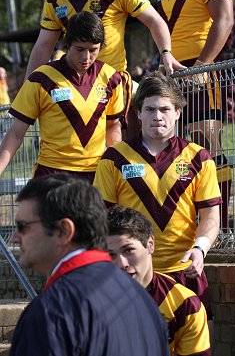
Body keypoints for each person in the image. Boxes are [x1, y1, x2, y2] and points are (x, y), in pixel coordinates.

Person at [94, 72, 221, 339]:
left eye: (165, 109)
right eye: (150, 109)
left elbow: (211, 216)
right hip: (131, 275)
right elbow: (100, 218)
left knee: (200, 344)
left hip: (185, 272)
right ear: (138, 113)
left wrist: (200, 249)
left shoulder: (199, 157)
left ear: (177, 112)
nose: (157, 116)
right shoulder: (114, 158)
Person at [25, 0, 185, 127]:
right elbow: (43, 46)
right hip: (76, 91)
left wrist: (166, 53)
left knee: (125, 151)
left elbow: (155, 21)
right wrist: (28, 89)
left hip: (114, 87)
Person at [9, 174, 170, 356]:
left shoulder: (51, 311)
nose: (14, 238)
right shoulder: (142, 298)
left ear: (64, 230)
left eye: (23, 226)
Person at [142, 0, 234, 244]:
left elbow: (224, 20)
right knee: (179, 150)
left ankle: (222, 225)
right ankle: (191, 222)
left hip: (201, 72)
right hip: (171, 75)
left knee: (208, 144)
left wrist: (202, 66)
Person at [0, 11, 124, 183]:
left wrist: (114, 167)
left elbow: (113, 127)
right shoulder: (41, 79)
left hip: (96, 175)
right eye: (80, 49)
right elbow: (15, 133)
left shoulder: (112, 78)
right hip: (51, 175)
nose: (86, 57)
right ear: (67, 44)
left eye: (93, 50)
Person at [107, 205, 211, 356]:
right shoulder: (83, 300)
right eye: (111, 255)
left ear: (150, 244)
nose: (122, 264)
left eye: (128, 250)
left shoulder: (184, 305)